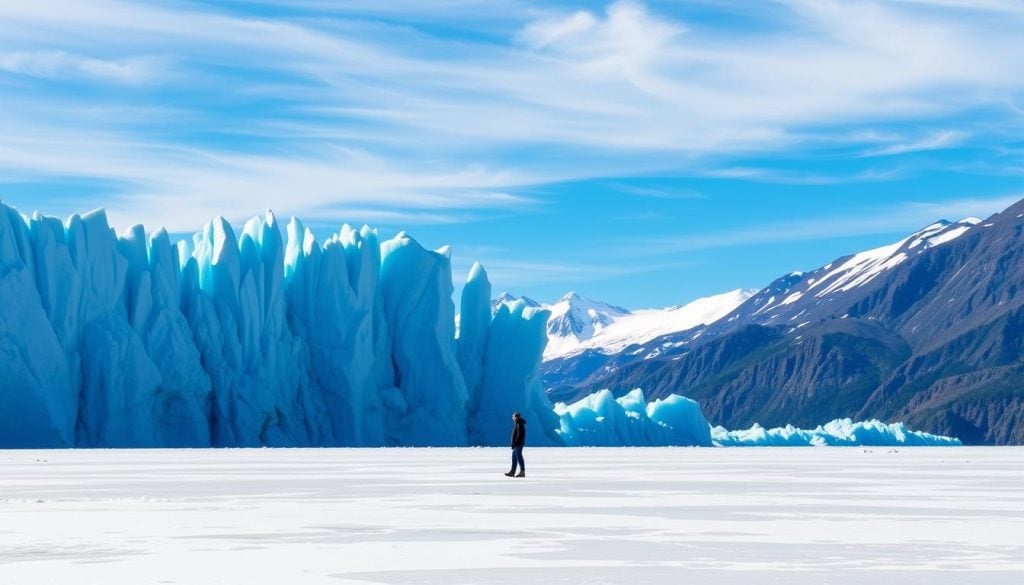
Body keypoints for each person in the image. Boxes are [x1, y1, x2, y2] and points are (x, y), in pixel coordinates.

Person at [504, 411, 526, 478]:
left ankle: (522, 471)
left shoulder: (519, 424)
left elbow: (519, 435)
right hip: (517, 444)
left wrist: (515, 443)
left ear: (516, 417)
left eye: (513, 417)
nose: (512, 418)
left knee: (519, 457)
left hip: (518, 444)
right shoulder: (518, 424)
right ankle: (512, 472)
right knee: (514, 458)